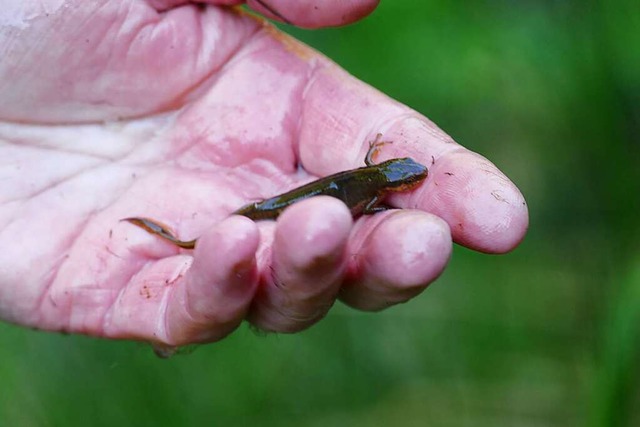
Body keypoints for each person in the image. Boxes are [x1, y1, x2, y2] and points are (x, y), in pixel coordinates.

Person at [0, 0, 528, 352]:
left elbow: (360, 188)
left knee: (298, 222)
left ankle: (193, 237)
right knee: (281, 214)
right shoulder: (375, 183)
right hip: (299, 197)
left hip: (313, 194)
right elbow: (356, 192)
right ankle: (186, 238)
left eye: (408, 178)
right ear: (391, 175)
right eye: (407, 177)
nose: (410, 180)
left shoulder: (375, 178)